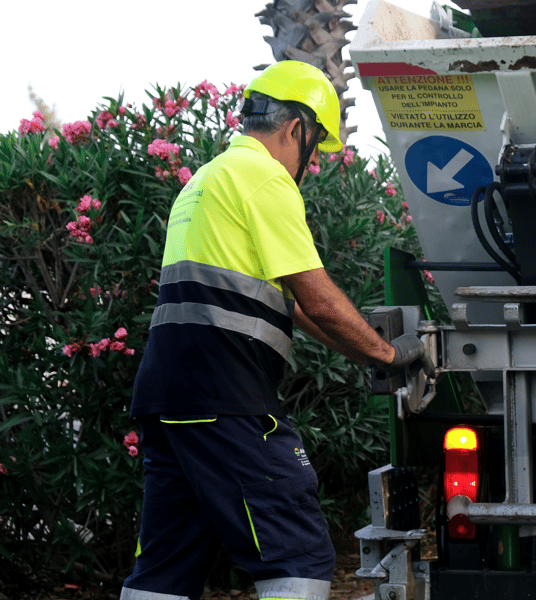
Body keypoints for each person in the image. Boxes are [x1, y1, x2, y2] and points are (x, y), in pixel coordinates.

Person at [120, 60, 426, 600]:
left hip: (167, 401)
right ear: (295, 130)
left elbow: (297, 310)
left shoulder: (205, 182)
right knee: (299, 553)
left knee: (165, 568)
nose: (309, 166)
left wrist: (371, 353)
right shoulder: (264, 178)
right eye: (315, 148)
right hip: (227, 398)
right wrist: (390, 355)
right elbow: (317, 298)